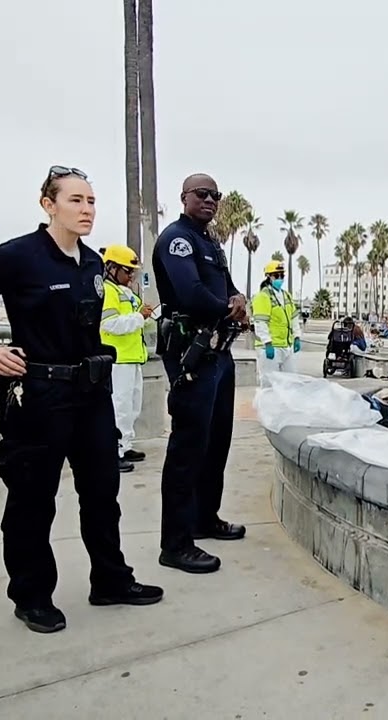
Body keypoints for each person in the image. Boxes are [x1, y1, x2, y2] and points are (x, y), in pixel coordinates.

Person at [0, 166, 163, 635]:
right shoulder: (18, 255)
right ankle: (31, 595)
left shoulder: (90, 264)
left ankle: (110, 578)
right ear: (48, 204)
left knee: (103, 494)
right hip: (38, 396)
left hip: (90, 395)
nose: (86, 210)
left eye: (90, 201)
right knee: (32, 501)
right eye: (75, 200)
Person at [150, 173, 249, 575]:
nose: (209, 200)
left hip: (220, 355)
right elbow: (191, 294)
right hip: (191, 356)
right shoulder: (177, 239)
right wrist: (230, 308)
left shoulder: (210, 242)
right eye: (201, 194)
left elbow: (228, 288)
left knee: (216, 443)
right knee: (188, 449)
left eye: (215, 196)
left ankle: (205, 518)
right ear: (184, 198)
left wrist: (239, 299)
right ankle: (175, 543)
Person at [98, 244, 152, 473]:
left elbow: (137, 320)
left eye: (133, 272)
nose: (131, 276)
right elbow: (109, 324)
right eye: (127, 271)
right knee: (118, 407)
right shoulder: (108, 291)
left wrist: (147, 316)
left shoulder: (126, 293)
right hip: (117, 360)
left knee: (132, 406)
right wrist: (139, 317)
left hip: (132, 358)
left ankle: (125, 444)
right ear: (111, 268)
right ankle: (113, 451)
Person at [251, 259, 301, 382]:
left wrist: (297, 337)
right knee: (269, 385)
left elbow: (294, 318)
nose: (280, 278)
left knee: (290, 383)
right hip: (270, 347)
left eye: (282, 275)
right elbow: (260, 322)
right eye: (276, 276)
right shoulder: (263, 296)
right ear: (268, 277)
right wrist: (267, 343)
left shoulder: (286, 295)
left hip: (286, 346)